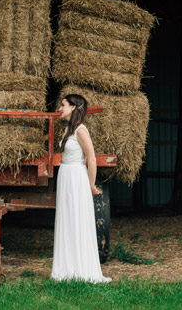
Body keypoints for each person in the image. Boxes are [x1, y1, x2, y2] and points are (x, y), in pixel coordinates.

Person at [50, 94, 111, 283]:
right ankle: (66, 269)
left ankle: (82, 268)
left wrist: (91, 185)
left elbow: (91, 159)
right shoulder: (68, 129)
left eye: (63, 105)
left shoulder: (81, 130)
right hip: (66, 175)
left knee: (77, 219)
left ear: (74, 107)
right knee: (67, 219)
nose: (60, 109)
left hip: (76, 177)